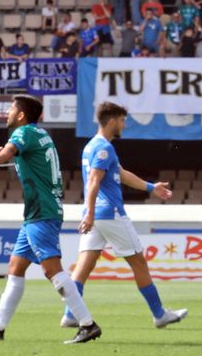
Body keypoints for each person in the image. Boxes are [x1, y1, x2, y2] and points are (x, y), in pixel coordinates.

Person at [0, 96, 102, 344]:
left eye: (11, 109)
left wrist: (0, 156)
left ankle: (87, 324)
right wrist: (2, 154)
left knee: (52, 270)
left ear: (21, 115)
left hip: (41, 211)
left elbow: (10, 150)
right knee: (16, 267)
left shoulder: (24, 132)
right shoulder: (41, 135)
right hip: (39, 211)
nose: (7, 113)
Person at [65, 102, 188, 329]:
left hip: (95, 215)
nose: (124, 125)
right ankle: (159, 314)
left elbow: (121, 174)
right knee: (139, 262)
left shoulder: (91, 146)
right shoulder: (104, 148)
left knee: (84, 265)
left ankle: (71, 314)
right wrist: (90, 213)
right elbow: (93, 181)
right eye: (122, 120)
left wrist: (151, 187)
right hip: (110, 214)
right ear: (112, 121)